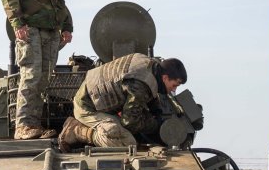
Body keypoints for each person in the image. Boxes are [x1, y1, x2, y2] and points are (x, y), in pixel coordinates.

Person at [1, 0, 74, 140]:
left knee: (43, 78)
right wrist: (17, 22)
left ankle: (34, 125)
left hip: (51, 28)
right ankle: (23, 125)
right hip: (29, 26)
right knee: (31, 75)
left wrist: (67, 25)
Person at [58, 53, 187, 150]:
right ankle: (76, 130)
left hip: (96, 100)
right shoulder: (141, 84)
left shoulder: (149, 65)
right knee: (126, 142)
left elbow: (145, 94)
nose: (173, 90)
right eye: (174, 85)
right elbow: (130, 122)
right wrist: (156, 125)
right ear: (165, 78)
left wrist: (155, 110)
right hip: (87, 108)